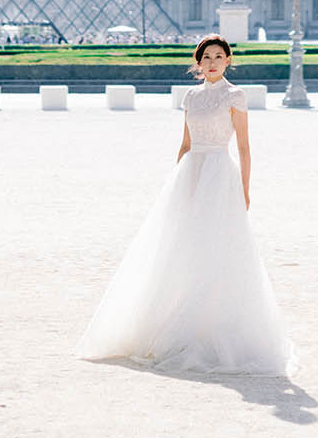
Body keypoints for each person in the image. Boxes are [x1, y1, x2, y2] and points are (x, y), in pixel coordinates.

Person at [76, 34, 294, 375]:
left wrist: (245, 189)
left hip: (221, 175)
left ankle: (213, 326)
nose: (211, 62)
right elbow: (185, 143)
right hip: (191, 173)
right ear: (198, 62)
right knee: (182, 249)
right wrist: (176, 183)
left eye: (218, 56)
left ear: (228, 61)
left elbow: (245, 147)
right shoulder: (191, 97)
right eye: (206, 57)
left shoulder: (235, 95)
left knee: (219, 250)